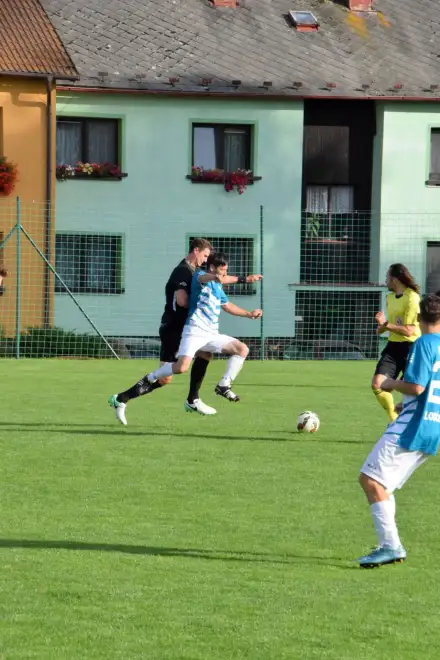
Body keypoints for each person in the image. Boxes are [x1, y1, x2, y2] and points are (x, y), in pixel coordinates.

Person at [109, 241, 262, 424]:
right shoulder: (186, 271)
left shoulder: (207, 278)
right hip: (176, 328)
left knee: (219, 352)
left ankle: (205, 394)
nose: (205, 259)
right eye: (205, 256)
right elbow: (185, 298)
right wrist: (201, 301)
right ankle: (122, 398)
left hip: (203, 331)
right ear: (196, 251)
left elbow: (224, 292)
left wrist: (246, 291)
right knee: (170, 375)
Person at [358, 294, 440, 568]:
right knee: (382, 486)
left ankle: (391, 546)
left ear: (418, 317)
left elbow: (416, 386)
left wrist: (389, 383)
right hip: (431, 425)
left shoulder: (424, 343)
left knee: (370, 480)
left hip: (412, 427)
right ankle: (389, 544)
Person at [144, 252, 262, 399]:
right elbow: (204, 277)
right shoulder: (200, 276)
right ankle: (151, 377)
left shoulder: (218, 287)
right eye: (222, 270)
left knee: (242, 349)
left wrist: (249, 314)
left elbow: (228, 306)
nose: (225, 273)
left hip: (210, 333)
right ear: (212, 267)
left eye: (226, 270)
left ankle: (223, 385)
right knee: (180, 368)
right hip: (195, 331)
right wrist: (216, 277)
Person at [372, 263, 420, 422]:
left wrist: (386, 325)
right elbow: (386, 327)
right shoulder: (390, 298)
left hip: (411, 348)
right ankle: (394, 419)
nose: (385, 280)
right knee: (377, 384)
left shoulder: (412, 297)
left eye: (387, 277)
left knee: (413, 391)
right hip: (393, 347)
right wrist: (381, 326)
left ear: (395, 279)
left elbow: (409, 331)